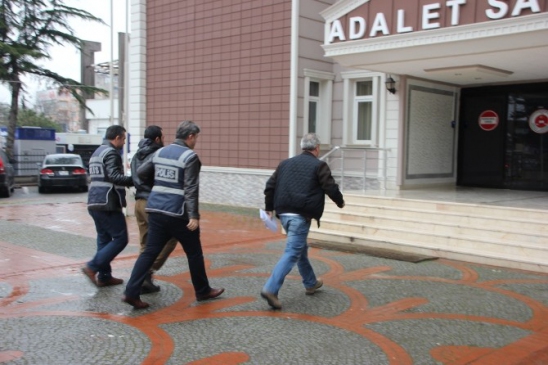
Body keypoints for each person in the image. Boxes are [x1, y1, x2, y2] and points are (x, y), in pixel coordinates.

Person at [122, 120, 225, 309]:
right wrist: (194, 216)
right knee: (194, 253)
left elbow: (141, 173)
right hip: (178, 213)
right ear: (191, 136)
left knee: (149, 252)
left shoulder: (159, 152)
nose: (196, 141)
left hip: (155, 210)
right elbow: (191, 188)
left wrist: (160, 183)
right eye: (196, 138)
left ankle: (131, 292)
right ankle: (202, 291)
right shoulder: (190, 157)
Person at [261, 133, 345, 310]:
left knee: (300, 249)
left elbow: (270, 186)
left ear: (302, 147)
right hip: (300, 215)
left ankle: (310, 282)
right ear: (317, 148)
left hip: (284, 214)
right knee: (293, 251)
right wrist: (340, 202)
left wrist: (269, 208)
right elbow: (330, 186)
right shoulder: (319, 165)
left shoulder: (285, 164)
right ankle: (271, 288)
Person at [82, 125, 134, 287]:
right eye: (124, 138)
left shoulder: (97, 152)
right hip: (108, 203)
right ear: (117, 137)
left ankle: (105, 277)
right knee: (120, 238)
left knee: (104, 239)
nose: (124, 142)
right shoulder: (111, 153)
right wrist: (134, 180)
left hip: (94, 201)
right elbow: (115, 177)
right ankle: (92, 267)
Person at [131, 125, 179, 294]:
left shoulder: (136, 155)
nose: (164, 140)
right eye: (163, 137)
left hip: (138, 203)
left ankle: (145, 281)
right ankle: (145, 272)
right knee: (171, 237)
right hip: (153, 203)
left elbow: (134, 177)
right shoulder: (158, 154)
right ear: (157, 139)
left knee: (146, 244)